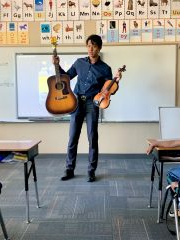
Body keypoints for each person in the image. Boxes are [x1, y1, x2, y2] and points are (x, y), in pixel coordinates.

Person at [52, 34, 122, 182]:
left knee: (92, 137)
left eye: (94, 46)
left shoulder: (105, 69)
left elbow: (110, 90)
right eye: (89, 46)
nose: (91, 49)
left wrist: (116, 79)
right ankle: (69, 169)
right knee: (73, 137)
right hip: (76, 101)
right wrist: (57, 65)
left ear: (99, 48)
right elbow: (66, 77)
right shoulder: (79, 63)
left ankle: (91, 171)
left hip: (92, 103)